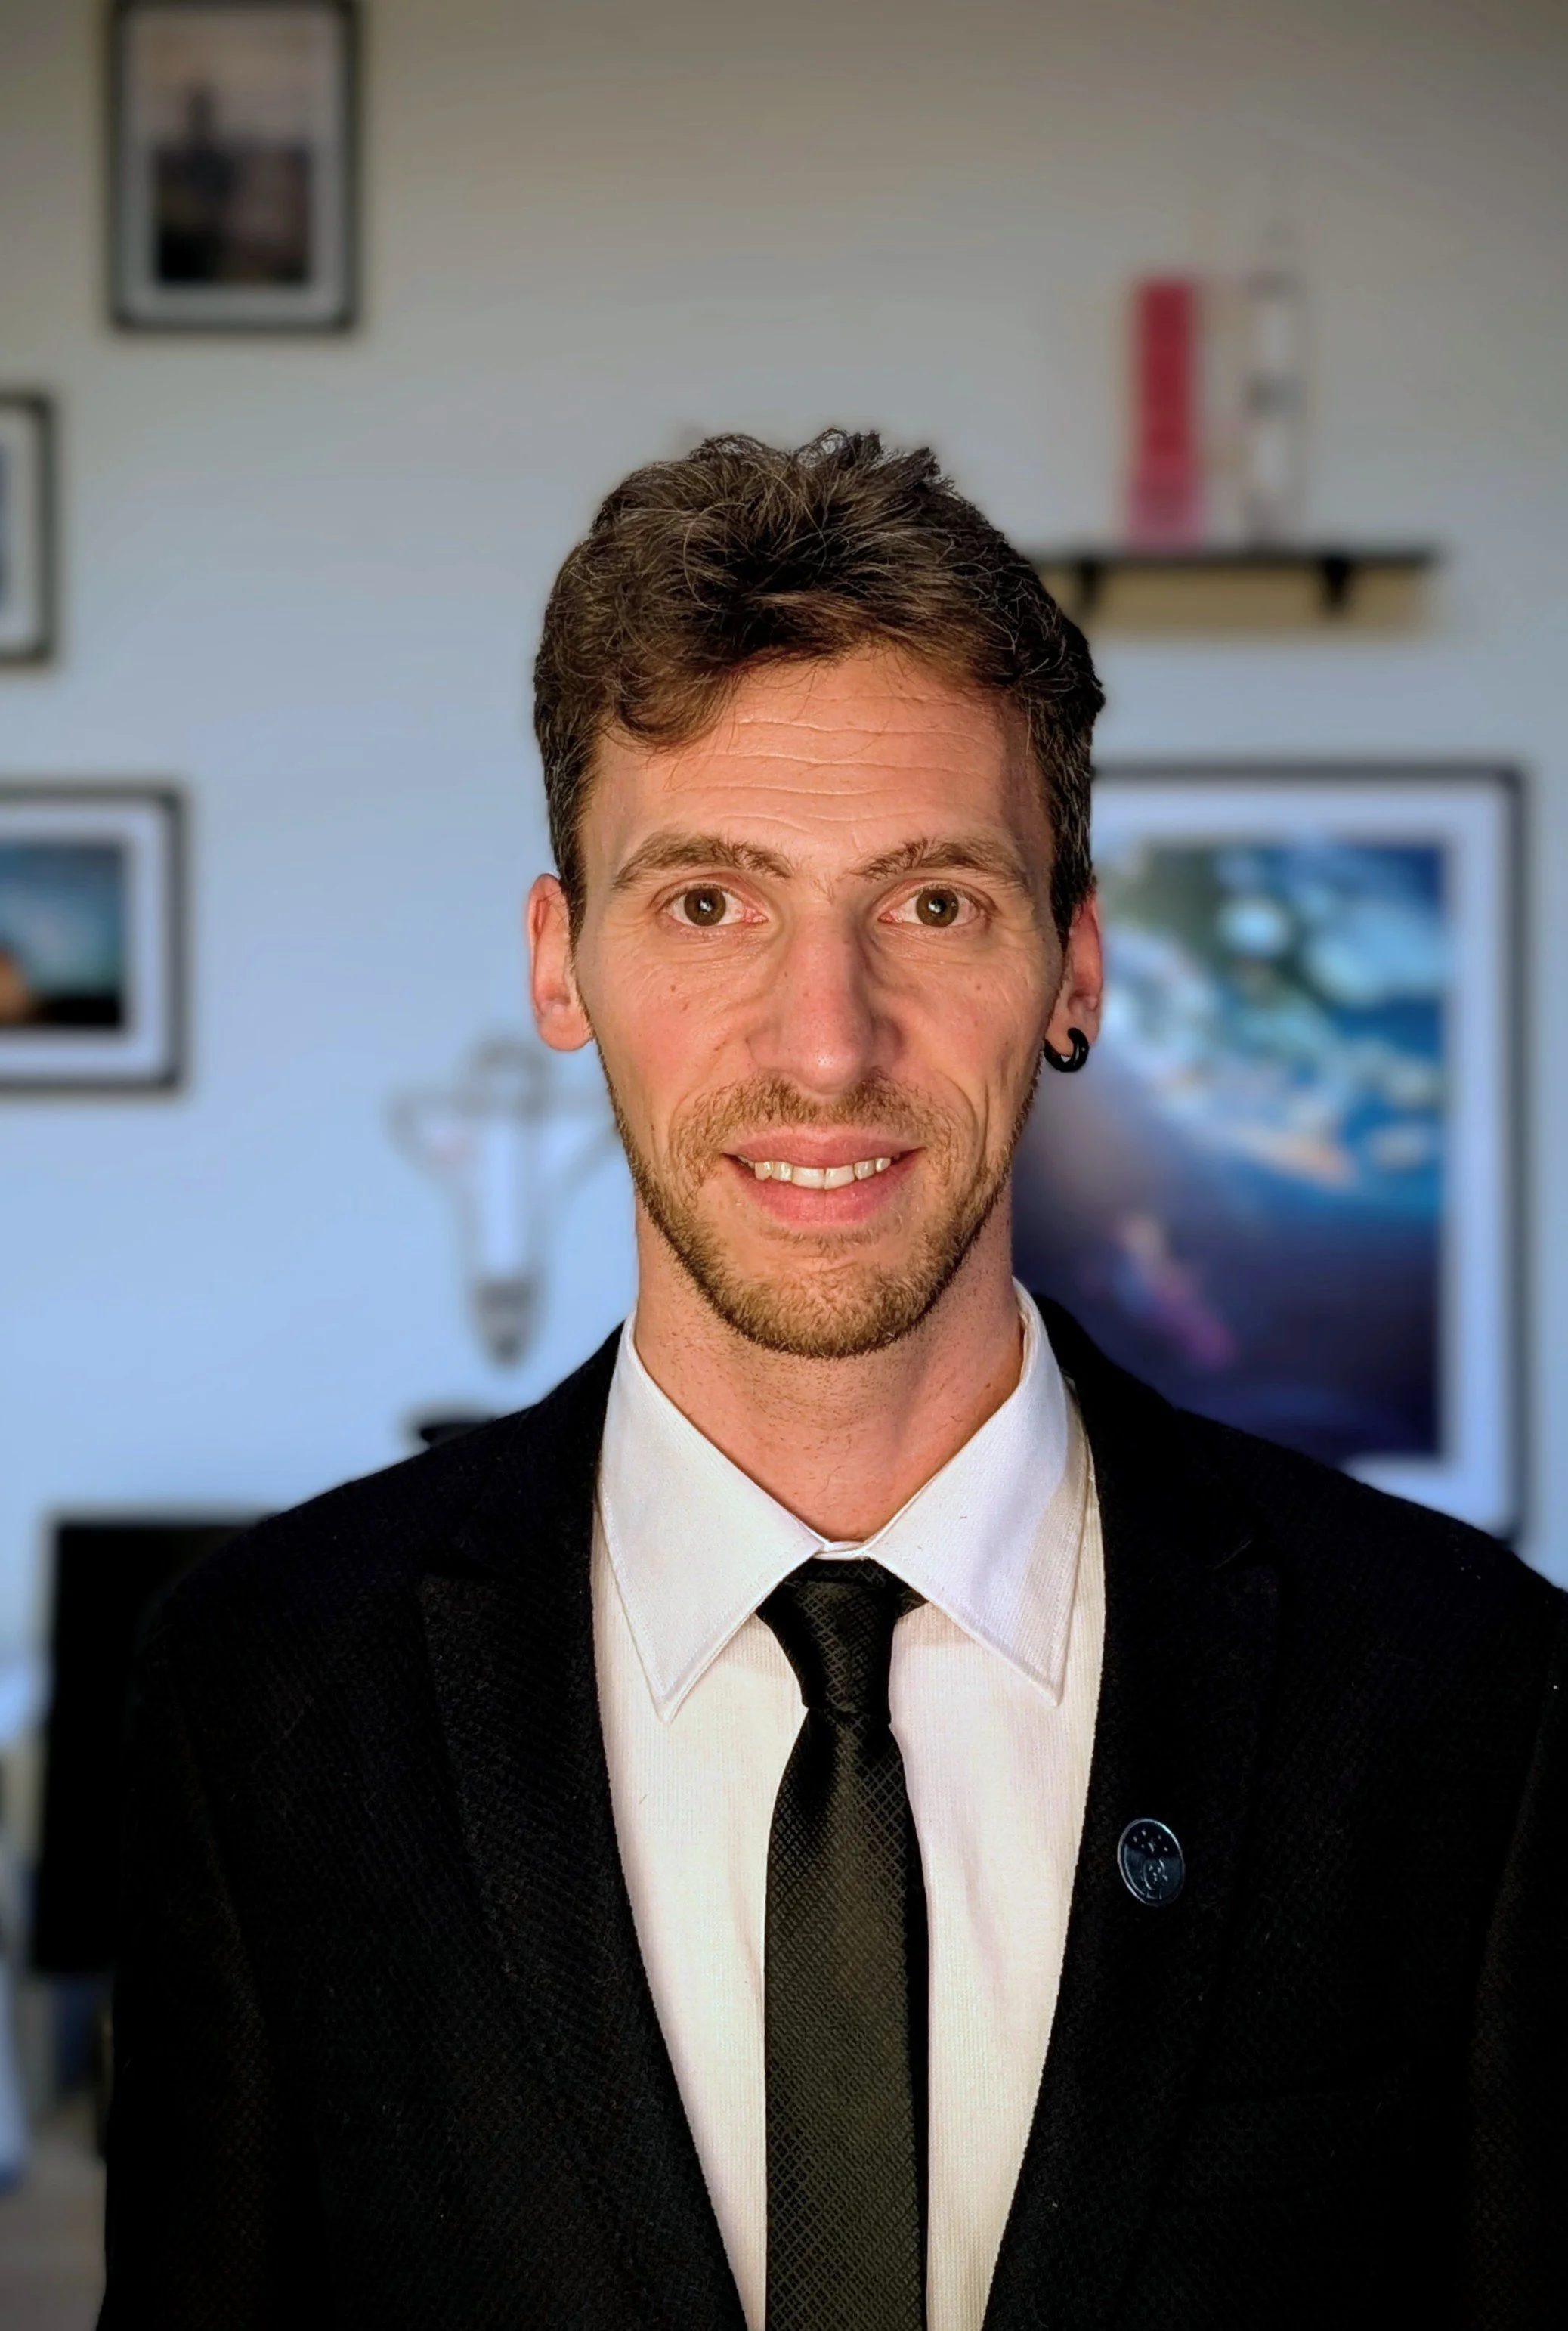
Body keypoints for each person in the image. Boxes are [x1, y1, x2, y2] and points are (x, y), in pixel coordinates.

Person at [101, 432, 1564, 2331]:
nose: (824, 1043)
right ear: (563, 966)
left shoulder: (1470, 1697)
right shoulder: (260, 1697)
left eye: (931, 902)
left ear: (1073, 966)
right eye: (708, 901)